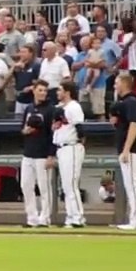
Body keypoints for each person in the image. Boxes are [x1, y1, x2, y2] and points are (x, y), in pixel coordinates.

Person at [111, 73, 136, 231]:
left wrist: (126, 149)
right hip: (126, 149)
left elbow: (134, 124)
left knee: (133, 185)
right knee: (130, 185)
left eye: (117, 82)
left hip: (131, 150)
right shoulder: (124, 102)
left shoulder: (131, 101)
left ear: (124, 83)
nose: (115, 86)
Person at [20, 80, 56, 228]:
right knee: (26, 185)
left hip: (43, 153)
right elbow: (22, 128)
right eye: (40, 90)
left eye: (45, 91)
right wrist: (25, 131)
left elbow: (53, 134)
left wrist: (51, 155)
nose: (43, 93)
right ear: (34, 90)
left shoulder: (50, 109)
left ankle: (45, 217)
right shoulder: (29, 108)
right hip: (28, 152)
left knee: (44, 187)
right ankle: (32, 217)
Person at [53, 80, 86, 228]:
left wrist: (79, 145)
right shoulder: (58, 107)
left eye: (60, 90)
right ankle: (70, 217)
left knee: (71, 184)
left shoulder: (74, 106)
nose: (57, 92)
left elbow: (81, 129)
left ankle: (78, 218)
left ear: (67, 92)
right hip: (61, 147)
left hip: (72, 146)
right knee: (66, 186)